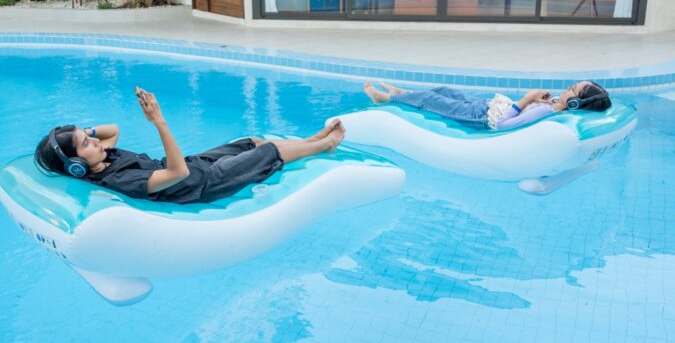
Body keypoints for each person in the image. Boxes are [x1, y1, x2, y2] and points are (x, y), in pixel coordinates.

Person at [35, 88, 345, 205]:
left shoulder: (104, 156)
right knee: (267, 152)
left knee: (250, 141)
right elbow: (177, 173)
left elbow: (113, 129)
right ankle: (325, 145)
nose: (95, 141)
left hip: (196, 164)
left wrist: (83, 134)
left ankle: (309, 141)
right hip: (203, 184)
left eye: (88, 136)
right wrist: (159, 122)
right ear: (76, 166)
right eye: (86, 144)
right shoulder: (118, 179)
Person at [363, 80, 611, 131]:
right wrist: (537, 100)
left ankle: (384, 98)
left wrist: (527, 99)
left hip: (483, 117)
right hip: (490, 106)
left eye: (572, 90)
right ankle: (404, 94)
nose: (567, 88)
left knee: (432, 100)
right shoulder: (555, 106)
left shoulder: (548, 112)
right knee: (445, 91)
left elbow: (503, 124)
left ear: (576, 102)